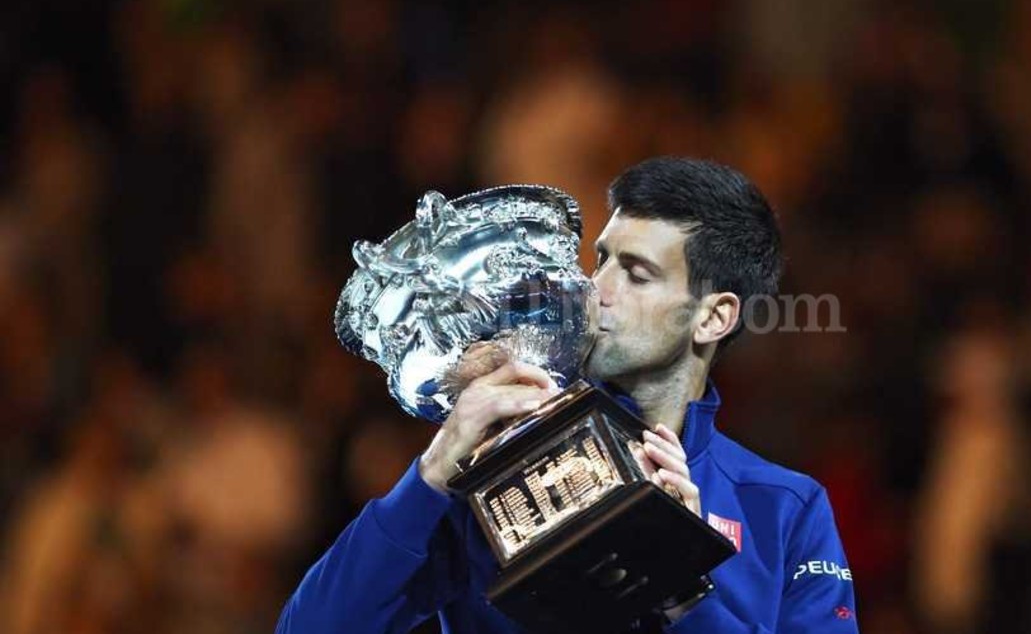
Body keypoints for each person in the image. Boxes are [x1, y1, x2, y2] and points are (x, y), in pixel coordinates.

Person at [277, 157, 859, 633]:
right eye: (600, 259)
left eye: (636, 274)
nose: (593, 288)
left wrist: (679, 581)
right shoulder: (497, 468)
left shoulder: (784, 509)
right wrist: (429, 476)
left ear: (713, 318)